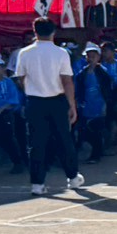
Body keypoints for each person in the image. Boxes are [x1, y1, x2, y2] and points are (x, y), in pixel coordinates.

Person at [14, 18, 82, 196]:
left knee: (36, 143)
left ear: (34, 31)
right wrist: (72, 105)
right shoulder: (61, 53)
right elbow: (67, 81)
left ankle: (37, 183)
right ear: (53, 32)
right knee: (64, 140)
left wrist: (31, 88)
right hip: (57, 100)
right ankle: (72, 177)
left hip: (35, 101)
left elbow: (20, 78)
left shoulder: (24, 53)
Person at [75, 43, 112, 165]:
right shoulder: (82, 73)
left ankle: (96, 154)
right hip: (86, 106)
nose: (91, 59)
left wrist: (106, 104)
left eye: (93, 56)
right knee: (85, 130)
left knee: (97, 130)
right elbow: (79, 89)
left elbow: (108, 90)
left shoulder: (103, 72)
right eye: (89, 56)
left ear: (98, 57)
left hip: (99, 105)